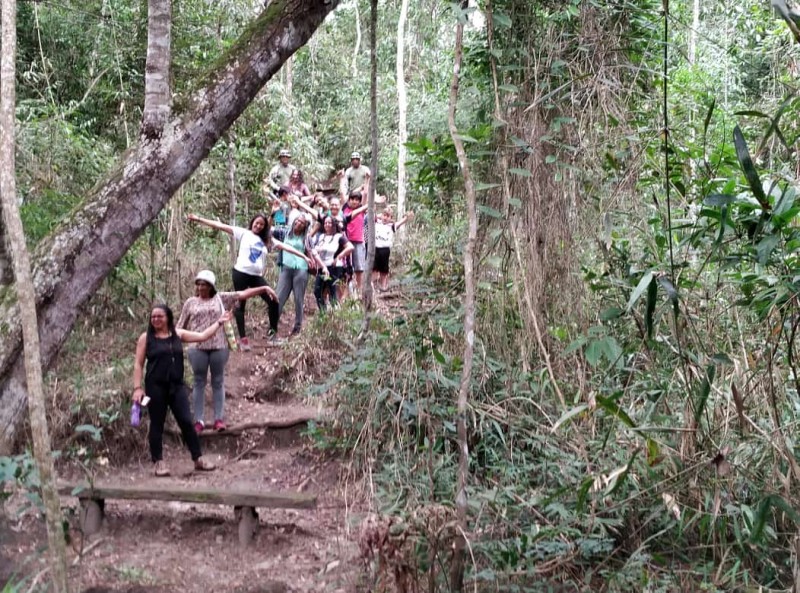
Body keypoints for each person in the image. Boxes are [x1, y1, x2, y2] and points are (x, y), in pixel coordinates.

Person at [132, 304, 229, 477]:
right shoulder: (146, 338)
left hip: (176, 386)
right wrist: (137, 388)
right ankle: (158, 462)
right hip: (155, 387)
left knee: (186, 421)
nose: (155, 319)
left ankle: (198, 459)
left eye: (159, 316)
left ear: (168, 317)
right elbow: (138, 364)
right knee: (157, 424)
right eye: (153, 317)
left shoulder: (178, 334)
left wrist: (219, 323)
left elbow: (202, 336)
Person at [186, 212, 311, 345]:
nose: (258, 226)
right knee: (240, 304)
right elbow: (219, 226)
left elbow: (286, 247)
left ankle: (272, 336)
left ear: (264, 227)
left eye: (261, 225)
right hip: (241, 273)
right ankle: (243, 339)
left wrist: (304, 256)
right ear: (252, 223)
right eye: (256, 223)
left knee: (274, 301)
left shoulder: (267, 240)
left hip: (256, 277)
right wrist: (199, 219)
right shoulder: (243, 233)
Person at [177, 269, 277, 433]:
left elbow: (242, 294)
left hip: (219, 346)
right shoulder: (190, 303)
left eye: (205, 284)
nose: (201, 287)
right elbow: (180, 326)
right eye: (199, 284)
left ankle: (219, 419)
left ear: (211, 286)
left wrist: (264, 289)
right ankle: (199, 421)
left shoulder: (220, 298)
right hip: (197, 348)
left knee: (218, 382)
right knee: (199, 382)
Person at [276, 215, 320, 336]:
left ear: (305, 226)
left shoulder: (306, 238)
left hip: (301, 269)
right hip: (286, 268)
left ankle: (298, 326)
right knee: (278, 298)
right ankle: (272, 325)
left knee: (298, 299)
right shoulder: (284, 233)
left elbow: (312, 251)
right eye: (297, 220)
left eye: (302, 222)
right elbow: (269, 231)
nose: (299, 223)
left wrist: (316, 264)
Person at [311, 215, 353, 312]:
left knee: (333, 290)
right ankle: (323, 311)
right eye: (325, 223)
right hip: (322, 267)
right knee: (317, 291)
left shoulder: (339, 237)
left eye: (329, 222)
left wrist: (339, 257)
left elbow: (350, 247)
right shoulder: (321, 236)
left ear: (333, 224)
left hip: (333, 267)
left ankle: (334, 314)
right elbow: (314, 249)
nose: (327, 225)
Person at [374, 208, 415, 291]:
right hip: (375, 248)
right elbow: (371, 213)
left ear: (391, 218)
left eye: (388, 216)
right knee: (374, 268)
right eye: (384, 215)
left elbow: (401, 222)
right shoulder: (376, 222)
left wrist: (407, 217)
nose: (385, 218)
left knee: (384, 269)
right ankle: (373, 285)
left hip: (385, 249)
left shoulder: (392, 226)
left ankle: (383, 285)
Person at [342, 190, 370, 297]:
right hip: (346, 242)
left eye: (357, 200)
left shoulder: (361, 210)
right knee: (347, 268)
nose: (354, 202)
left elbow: (366, 195)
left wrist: (367, 180)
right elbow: (342, 194)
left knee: (359, 268)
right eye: (352, 199)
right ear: (349, 200)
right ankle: (346, 291)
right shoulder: (345, 210)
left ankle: (359, 290)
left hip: (358, 242)